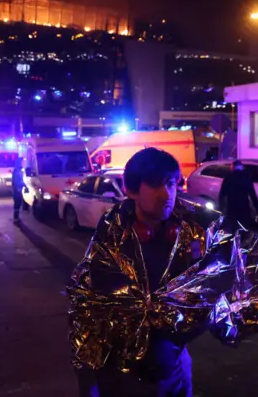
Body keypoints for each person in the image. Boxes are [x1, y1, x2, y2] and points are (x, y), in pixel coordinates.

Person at [70, 147, 204, 396]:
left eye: (171, 183)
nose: (167, 194)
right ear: (131, 190)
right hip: (124, 369)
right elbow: (94, 309)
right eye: (156, 185)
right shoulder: (112, 241)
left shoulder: (187, 235)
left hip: (173, 363)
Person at [217, 159, 258, 232]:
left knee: (232, 232)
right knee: (243, 232)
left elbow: (222, 195)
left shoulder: (228, 178)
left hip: (231, 210)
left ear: (232, 167)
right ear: (241, 167)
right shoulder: (246, 178)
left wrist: (220, 210)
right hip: (244, 210)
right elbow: (253, 196)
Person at [11, 157, 26, 224]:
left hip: (18, 190)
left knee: (18, 204)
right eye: (22, 162)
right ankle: (16, 218)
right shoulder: (17, 171)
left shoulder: (18, 170)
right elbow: (17, 181)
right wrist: (19, 189)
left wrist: (24, 185)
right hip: (17, 190)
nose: (23, 163)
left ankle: (16, 218)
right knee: (17, 204)